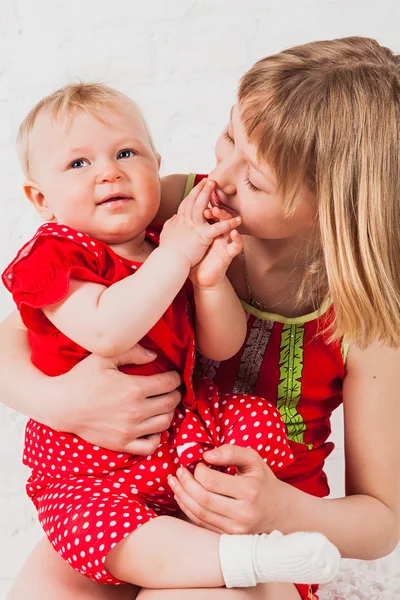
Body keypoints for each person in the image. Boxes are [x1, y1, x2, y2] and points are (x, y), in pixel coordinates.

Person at [1, 35, 399, 600]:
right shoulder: (168, 206)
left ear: (334, 205)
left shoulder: (368, 314)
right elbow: (19, 329)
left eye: (256, 179)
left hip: (259, 524)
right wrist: (59, 403)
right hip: (132, 488)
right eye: (229, 136)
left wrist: (280, 506)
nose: (223, 176)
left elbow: (381, 523)